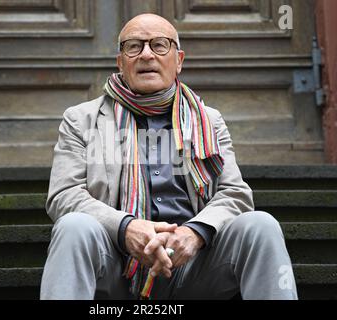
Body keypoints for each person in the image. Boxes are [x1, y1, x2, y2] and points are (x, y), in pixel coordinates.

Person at [40, 13, 298, 300]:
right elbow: (64, 195)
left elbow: (234, 193)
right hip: (114, 264)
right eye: (134, 46)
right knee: (74, 226)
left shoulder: (208, 121)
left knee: (260, 226)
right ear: (120, 61)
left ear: (179, 60)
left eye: (160, 45)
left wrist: (195, 233)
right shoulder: (81, 119)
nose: (147, 55)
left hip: (195, 266)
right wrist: (126, 228)